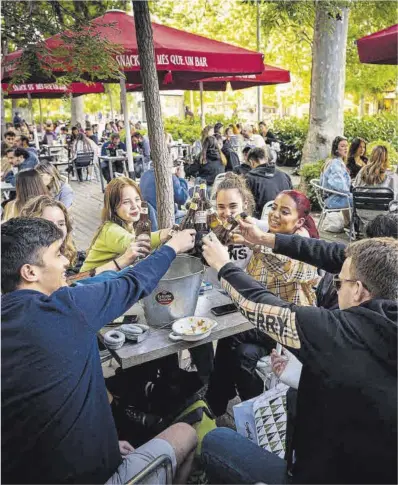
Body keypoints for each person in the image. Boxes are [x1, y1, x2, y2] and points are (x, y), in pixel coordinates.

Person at [2, 217, 198, 484]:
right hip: (96, 478)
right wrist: (172, 246)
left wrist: (106, 446)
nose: (66, 263)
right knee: (186, 434)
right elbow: (134, 282)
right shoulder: (65, 307)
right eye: (58, 254)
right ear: (30, 272)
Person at [201, 231, 397, 485]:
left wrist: (222, 265)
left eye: (339, 282)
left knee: (215, 441)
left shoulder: (339, 334)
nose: (336, 289)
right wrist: (268, 239)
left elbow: (260, 306)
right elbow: (335, 254)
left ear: (358, 290)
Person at [206, 190, 319, 416]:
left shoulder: (304, 242)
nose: (275, 214)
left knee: (229, 335)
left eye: (284, 211)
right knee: (242, 354)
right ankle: (258, 413)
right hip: (266, 325)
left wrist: (254, 243)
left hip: (292, 327)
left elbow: (286, 269)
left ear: (299, 221)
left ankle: (214, 402)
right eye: (274, 208)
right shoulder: (268, 233)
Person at [81, 177, 172, 272]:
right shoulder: (110, 230)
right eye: (126, 202)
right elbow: (133, 243)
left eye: (137, 199)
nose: (134, 206)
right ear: (113, 207)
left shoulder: (130, 225)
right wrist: (165, 233)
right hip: (87, 283)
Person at [245, 147, 293, 218]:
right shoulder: (285, 176)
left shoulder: (249, 178)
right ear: (266, 159)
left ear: (252, 162)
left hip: (259, 221)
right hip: (284, 218)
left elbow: (246, 204)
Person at [320, 136, 352, 224]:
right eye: (342, 146)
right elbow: (339, 186)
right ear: (336, 149)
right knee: (360, 200)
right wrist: (351, 191)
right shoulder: (335, 163)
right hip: (333, 200)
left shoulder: (335, 161)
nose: (346, 148)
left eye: (346, 146)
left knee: (357, 197)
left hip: (334, 197)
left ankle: (351, 224)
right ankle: (354, 226)